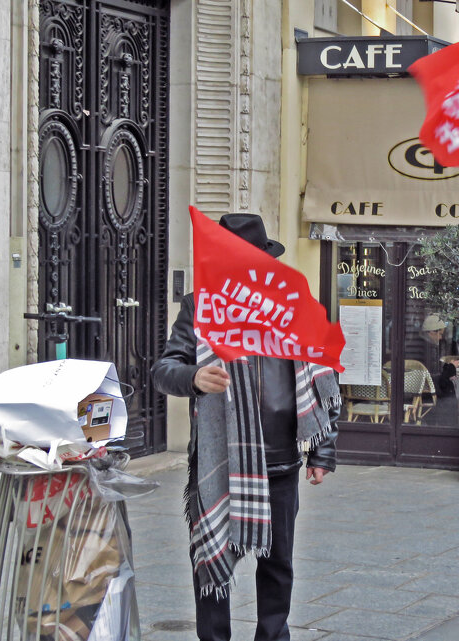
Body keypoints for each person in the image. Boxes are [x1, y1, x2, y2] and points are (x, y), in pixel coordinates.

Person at [151, 213, 341, 641]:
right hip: (222, 463)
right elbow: (163, 369)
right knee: (213, 562)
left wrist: (323, 450)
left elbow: (319, 375)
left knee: (278, 566)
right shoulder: (200, 307)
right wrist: (194, 379)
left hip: (282, 462)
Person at [420, 313, 459, 426]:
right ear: (432, 332)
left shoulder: (424, 346)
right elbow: (437, 379)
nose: (441, 337)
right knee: (451, 394)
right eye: (440, 334)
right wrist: (451, 367)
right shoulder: (428, 349)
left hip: (424, 389)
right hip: (429, 393)